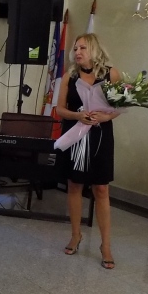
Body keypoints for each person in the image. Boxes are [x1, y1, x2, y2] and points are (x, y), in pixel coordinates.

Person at [56, 33, 121, 269]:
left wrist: (107, 116)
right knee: (74, 185)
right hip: (75, 133)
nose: (77, 52)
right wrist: (77, 115)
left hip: (100, 136)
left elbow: (118, 107)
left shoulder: (111, 74)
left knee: (101, 188)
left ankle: (106, 246)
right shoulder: (69, 76)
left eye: (82, 47)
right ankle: (76, 235)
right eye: (75, 48)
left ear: (94, 49)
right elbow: (60, 109)